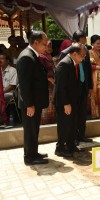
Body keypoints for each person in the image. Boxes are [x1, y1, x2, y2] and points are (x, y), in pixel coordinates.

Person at [16, 30, 49, 165]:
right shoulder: (26, 57)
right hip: (30, 103)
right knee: (30, 130)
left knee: (34, 129)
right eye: (44, 44)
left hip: (35, 102)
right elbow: (24, 84)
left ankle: (33, 152)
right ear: (36, 43)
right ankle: (29, 157)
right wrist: (29, 104)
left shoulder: (32, 55)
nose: (46, 47)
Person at [60, 30, 93, 144]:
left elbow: (88, 69)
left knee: (82, 113)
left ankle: (81, 135)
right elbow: (63, 78)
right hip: (72, 89)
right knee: (73, 114)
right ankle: (72, 138)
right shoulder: (65, 54)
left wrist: (90, 87)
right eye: (81, 43)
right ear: (74, 42)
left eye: (85, 43)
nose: (84, 45)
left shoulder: (85, 52)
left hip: (83, 87)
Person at [54, 43, 87, 157]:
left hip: (72, 100)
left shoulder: (73, 63)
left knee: (72, 124)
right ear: (74, 54)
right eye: (82, 56)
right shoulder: (64, 64)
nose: (83, 59)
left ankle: (71, 145)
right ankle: (60, 148)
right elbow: (61, 87)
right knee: (64, 125)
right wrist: (66, 103)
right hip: (65, 102)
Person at [39, 41, 56, 124]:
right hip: (45, 84)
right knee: (46, 102)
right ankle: (45, 121)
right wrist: (51, 80)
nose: (50, 48)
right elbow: (42, 71)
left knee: (51, 101)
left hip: (51, 84)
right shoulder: (41, 57)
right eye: (47, 46)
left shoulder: (49, 57)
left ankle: (50, 119)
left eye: (50, 46)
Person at [0, 53, 18, 123]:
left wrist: (1, 92)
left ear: (8, 61)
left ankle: (2, 119)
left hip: (9, 93)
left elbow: (12, 86)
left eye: (2, 59)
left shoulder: (13, 70)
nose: (0, 60)